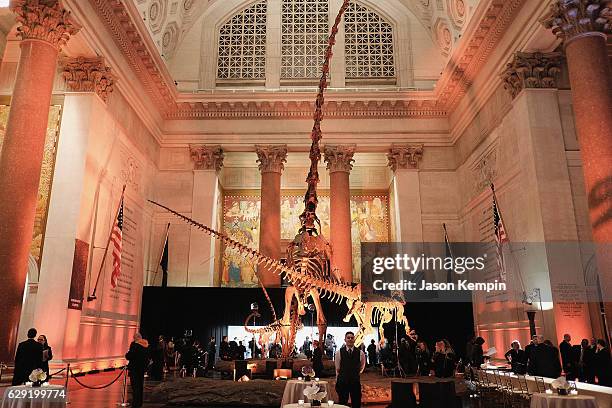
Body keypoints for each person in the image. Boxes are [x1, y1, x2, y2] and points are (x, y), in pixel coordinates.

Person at [335, 332, 366, 408]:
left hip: (355, 382)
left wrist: (355, 373)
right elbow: (337, 368)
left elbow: (362, 366)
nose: (350, 339)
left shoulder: (360, 353)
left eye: (352, 338)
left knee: (356, 403)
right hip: (343, 381)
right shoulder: (339, 352)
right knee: (342, 403)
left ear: (354, 339)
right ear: (345, 339)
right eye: (348, 338)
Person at [125, 332, 149, 408]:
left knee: (135, 387)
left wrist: (127, 354)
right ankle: (139, 403)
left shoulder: (134, 345)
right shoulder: (146, 345)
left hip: (134, 369)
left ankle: (135, 404)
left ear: (135, 338)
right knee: (140, 386)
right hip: (142, 369)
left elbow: (129, 356)